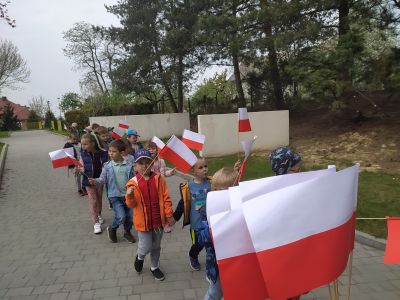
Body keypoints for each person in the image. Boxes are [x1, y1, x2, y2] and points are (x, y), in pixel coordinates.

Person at [125, 149, 175, 281]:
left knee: (156, 246)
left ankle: (154, 267)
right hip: (143, 223)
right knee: (145, 246)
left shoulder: (159, 179)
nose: (144, 165)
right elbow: (131, 205)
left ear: (152, 163)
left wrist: (169, 215)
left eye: (147, 162)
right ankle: (140, 256)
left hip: (158, 222)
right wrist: (129, 195)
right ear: (135, 165)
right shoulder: (133, 182)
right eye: (140, 163)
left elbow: (166, 198)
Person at [197, 167, 239, 300]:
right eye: (217, 189)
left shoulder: (240, 207)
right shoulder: (206, 210)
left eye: (230, 190)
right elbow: (201, 238)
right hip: (217, 264)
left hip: (237, 260)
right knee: (214, 293)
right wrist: (212, 227)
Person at [269, 146, 303, 300]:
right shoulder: (273, 193)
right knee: (285, 285)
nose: (300, 173)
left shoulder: (298, 188)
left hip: (296, 247)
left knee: (296, 285)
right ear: (285, 170)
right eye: (297, 170)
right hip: (282, 250)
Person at [89, 140, 136, 243]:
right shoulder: (107, 166)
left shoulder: (129, 165)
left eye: (113, 151)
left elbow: (134, 180)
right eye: (109, 151)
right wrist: (95, 181)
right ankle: (112, 228)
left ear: (122, 152)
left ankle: (127, 232)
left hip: (128, 196)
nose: (110, 153)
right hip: (115, 196)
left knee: (130, 217)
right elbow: (102, 180)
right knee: (121, 216)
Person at [173, 157, 211, 271]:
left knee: (208, 242)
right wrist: (174, 218)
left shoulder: (211, 183)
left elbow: (224, 186)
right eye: (200, 167)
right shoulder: (188, 187)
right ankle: (193, 255)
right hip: (196, 223)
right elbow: (182, 204)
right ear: (193, 171)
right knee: (198, 244)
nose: (204, 169)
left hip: (209, 222)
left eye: (205, 166)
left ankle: (211, 260)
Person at [77, 133, 109, 234]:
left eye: (85, 144)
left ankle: (99, 214)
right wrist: (80, 169)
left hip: (99, 181)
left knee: (99, 199)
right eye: (82, 144)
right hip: (88, 181)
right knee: (93, 201)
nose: (83, 147)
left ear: (93, 143)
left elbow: (106, 165)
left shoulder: (103, 153)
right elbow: (81, 165)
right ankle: (95, 223)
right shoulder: (83, 154)